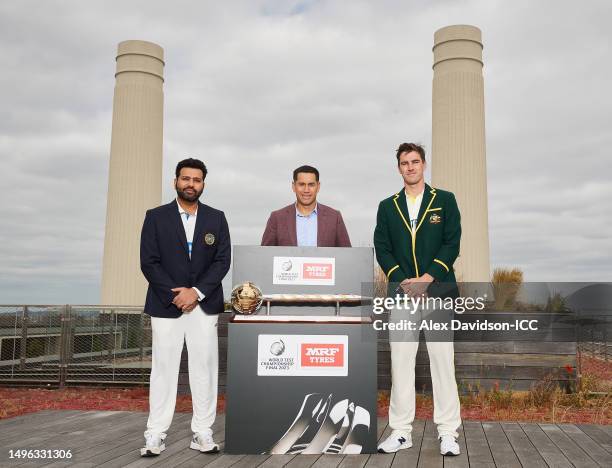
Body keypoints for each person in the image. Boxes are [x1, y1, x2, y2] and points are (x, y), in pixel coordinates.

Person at [373, 143, 462, 456]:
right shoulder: (388, 206)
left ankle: (448, 432)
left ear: (424, 164)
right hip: (402, 297)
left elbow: (452, 243)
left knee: (442, 363)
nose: (410, 167)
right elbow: (381, 247)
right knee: (401, 363)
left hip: (437, 293)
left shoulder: (445, 200)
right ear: (398, 168)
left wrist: (427, 279)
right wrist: (404, 281)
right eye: (404, 163)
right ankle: (400, 432)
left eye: (414, 162)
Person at [139, 158, 231, 457]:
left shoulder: (217, 218)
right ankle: (155, 434)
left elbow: (222, 261)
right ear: (175, 181)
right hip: (166, 306)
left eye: (197, 180)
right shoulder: (156, 217)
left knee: (204, 369)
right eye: (185, 179)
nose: (191, 184)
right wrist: (175, 294)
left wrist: (197, 292)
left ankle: (202, 432)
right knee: (163, 370)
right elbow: (149, 261)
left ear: (203, 183)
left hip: (203, 307)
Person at [261, 165, 351, 247]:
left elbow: (347, 255)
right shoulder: (277, 218)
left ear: (318, 186)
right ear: (293, 186)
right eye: (301, 184)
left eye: (311, 185)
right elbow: (265, 256)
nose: (306, 190)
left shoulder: (334, 217)